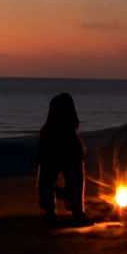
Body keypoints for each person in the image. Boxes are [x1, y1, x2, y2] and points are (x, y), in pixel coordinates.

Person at [36, 92, 91, 224]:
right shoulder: (58, 135)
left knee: (50, 182)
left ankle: (67, 210)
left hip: (62, 150)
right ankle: (73, 211)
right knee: (57, 182)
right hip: (60, 150)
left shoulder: (53, 134)